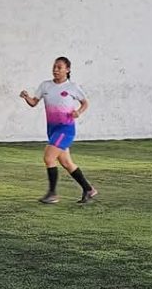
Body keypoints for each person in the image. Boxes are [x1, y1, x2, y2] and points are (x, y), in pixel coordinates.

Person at [19, 56, 98, 204]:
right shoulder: (45, 86)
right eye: (54, 67)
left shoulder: (72, 87)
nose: (55, 70)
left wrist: (78, 112)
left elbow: (85, 103)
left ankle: (53, 194)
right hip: (52, 129)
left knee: (48, 158)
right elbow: (34, 103)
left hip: (65, 129)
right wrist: (26, 97)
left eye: (59, 67)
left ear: (67, 70)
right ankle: (88, 189)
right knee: (67, 163)